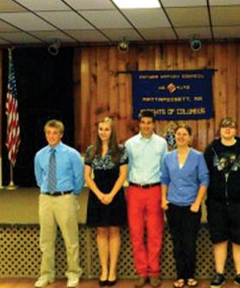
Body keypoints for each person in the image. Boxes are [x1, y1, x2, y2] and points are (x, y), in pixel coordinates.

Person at [204, 117, 240, 288]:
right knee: (219, 239)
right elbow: (205, 174)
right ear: (220, 130)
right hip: (216, 203)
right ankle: (219, 274)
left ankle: (239, 275)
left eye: (231, 126)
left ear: (236, 130)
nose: (228, 129)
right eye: (224, 127)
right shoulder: (211, 149)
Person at [34, 120, 84, 288]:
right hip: (46, 199)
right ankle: (47, 275)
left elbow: (79, 179)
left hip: (65, 198)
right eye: (48, 133)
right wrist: (47, 191)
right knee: (46, 240)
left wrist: (71, 195)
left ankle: (73, 273)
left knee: (71, 239)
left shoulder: (72, 154)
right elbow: (39, 178)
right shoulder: (40, 155)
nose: (51, 136)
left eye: (55, 133)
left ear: (61, 134)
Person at [161, 124, 209, 288]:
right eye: (178, 134)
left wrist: (197, 202)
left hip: (191, 207)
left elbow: (204, 180)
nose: (180, 137)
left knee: (189, 242)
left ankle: (190, 276)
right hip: (173, 206)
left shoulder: (198, 156)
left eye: (184, 134)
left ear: (190, 137)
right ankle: (180, 276)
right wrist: (163, 199)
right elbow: (164, 179)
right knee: (177, 242)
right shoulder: (168, 157)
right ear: (174, 137)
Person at [125, 110, 168, 288]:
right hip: (134, 189)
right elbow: (126, 168)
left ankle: (154, 272)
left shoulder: (161, 143)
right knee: (136, 233)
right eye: (143, 122)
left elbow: (164, 169)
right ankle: (141, 272)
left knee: (155, 233)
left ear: (154, 124)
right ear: (139, 124)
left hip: (154, 190)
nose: (146, 125)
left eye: (149, 122)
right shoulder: (129, 144)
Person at [84, 117, 128, 287]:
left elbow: (123, 175)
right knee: (101, 232)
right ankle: (104, 269)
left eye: (106, 129)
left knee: (114, 231)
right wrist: (99, 194)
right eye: (101, 129)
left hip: (115, 193)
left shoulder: (121, 150)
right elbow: (87, 176)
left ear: (112, 131)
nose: (103, 132)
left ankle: (112, 271)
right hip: (97, 193)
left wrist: (111, 194)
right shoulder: (90, 150)